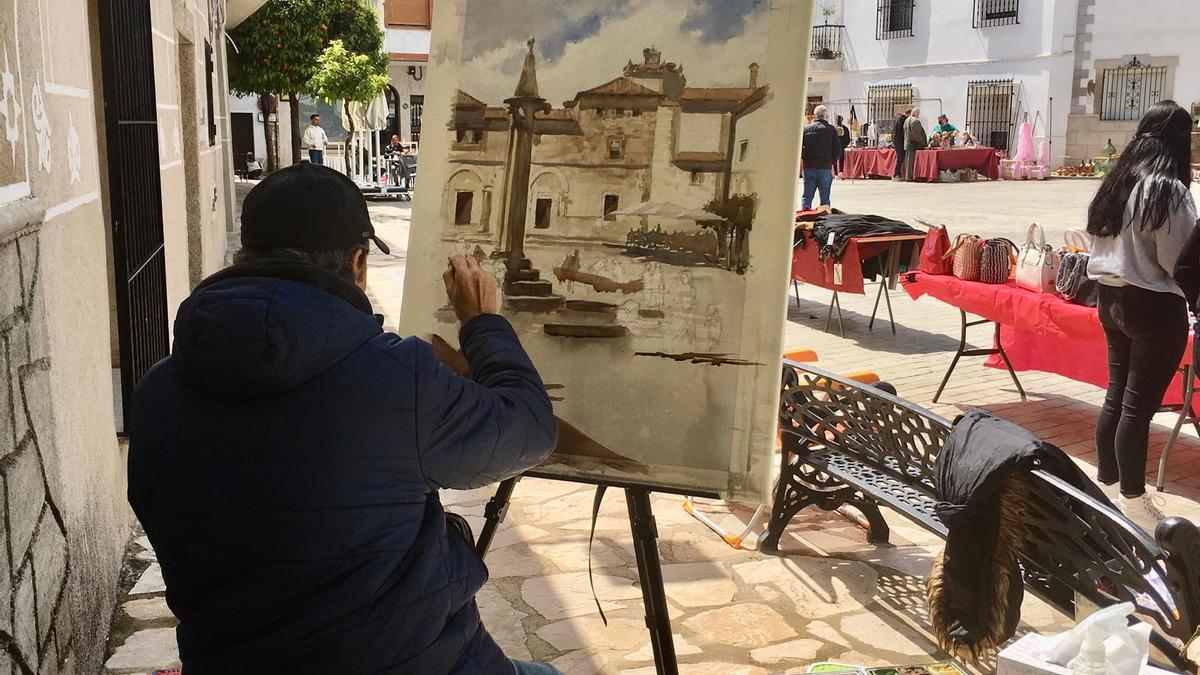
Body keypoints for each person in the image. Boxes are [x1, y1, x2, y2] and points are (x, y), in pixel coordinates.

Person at [127, 163, 561, 673]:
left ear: (247, 252)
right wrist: (482, 323)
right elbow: (530, 430)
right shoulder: (396, 377)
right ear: (357, 260)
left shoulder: (156, 392)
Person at [1087, 100, 1197, 533]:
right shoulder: (1167, 189)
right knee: (1137, 408)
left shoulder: (1116, 182)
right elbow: (1182, 260)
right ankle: (1133, 500)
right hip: (1153, 304)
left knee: (1117, 398)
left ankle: (1110, 487)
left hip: (1110, 299)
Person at [800, 105, 842, 210]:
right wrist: (831, 161)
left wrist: (805, 157)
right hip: (825, 167)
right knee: (825, 198)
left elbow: (799, 147)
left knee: (807, 196)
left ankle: (804, 217)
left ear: (815, 115)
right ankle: (824, 219)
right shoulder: (831, 130)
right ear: (825, 116)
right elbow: (837, 149)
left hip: (809, 166)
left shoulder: (806, 129)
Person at [903, 108, 928, 182]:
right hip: (913, 143)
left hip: (907, 142)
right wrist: (922, 142)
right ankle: (909, 177)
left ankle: (908, 176)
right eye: (918, 113)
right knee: (911, 161)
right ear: (916, 113)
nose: (919, 115)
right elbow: (917, 134)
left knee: (908, 161)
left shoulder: (906, 120)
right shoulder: (915, 121)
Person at [891, 109, 910, 181]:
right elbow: (901, 131)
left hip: (896, 140)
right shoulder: (902, 119)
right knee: (900, 157)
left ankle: (898, 174)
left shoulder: (897, 118)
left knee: (900, 157)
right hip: (899, 140)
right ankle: (896, 174)